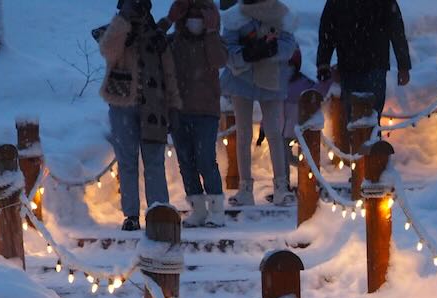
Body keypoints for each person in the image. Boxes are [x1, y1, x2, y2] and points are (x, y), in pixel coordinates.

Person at [97, 0, 180, 231]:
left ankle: (159, 211)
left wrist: (174, 106)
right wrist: (123, 20)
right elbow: (108, 50)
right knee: (127, 161)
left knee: (154, 162)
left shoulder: (156, 37)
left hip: (154, 107)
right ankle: (131, 215)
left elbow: (169, 74)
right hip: (122, 104)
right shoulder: (117, 30)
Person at [220, 0, 297, 206]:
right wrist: (248, 53)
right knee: (243, 133)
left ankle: (281, 185)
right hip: (241, 78)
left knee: (274, 131)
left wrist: (271, 49)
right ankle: (245, 187)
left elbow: (289, 45)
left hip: (271, 77)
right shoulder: (235, 16)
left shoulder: (280, 13)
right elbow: (228, 48)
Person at [165, 0, 228, 227]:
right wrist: (171, 19)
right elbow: (154, 43)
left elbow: (219, 60)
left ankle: (217, 209)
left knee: (205, 160)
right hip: (180, 111)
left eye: (199, 17)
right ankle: (198, 208)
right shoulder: (175, 43)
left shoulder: (215, 42)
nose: (195, 21)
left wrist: (211, 31)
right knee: (186, 162)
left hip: (206, 113)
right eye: (190, 16)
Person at [315, 0, 411, 124]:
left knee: (359, 118)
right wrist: (403, 65)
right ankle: (368, 139)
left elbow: (327, 30)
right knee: (364, 119)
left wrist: (323, 62)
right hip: (361, 65)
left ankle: (364, 139)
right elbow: (397, 30)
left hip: (360, 64)